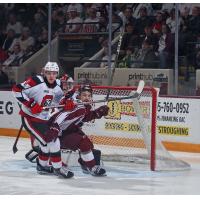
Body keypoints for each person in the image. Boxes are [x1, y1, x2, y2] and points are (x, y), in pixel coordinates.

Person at [12, 62, 74, 178]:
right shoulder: (36, 81)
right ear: (44, 73)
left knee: (45, 144)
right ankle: (58, 168)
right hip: (30, 118)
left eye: (54, 73)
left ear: (57, 74)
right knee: (53, 140)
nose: (51, 76)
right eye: (48, 73)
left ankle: (42, 166)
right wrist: (31, 104)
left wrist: (67, 101)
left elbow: (71, 90)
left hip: (44, 119)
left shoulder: (59, 85)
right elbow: (16, 89)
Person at [48, 84, 109, 176]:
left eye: (89, 96)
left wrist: (97, 113)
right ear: (79, 95)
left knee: (88, 144)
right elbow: (60, 116)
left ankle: (86, 164)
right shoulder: (77, 105)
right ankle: (91, 167)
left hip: (68, 129)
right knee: (83, 142)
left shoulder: (83, 105)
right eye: (84, 95)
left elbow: (84, 117)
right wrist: (54, 128)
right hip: (58, 132)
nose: (87, 98)